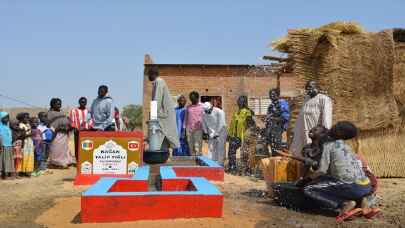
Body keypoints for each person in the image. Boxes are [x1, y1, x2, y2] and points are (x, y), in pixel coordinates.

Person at [301, 122, 373, 221]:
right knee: (334, 182)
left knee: (309, 189)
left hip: (352, 186)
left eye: (337, 125)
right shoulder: (346, 146)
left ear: (339, 132)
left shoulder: (328, 145)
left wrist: (306, 180)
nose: (334, 125)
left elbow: (322, 170)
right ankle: (362, 201)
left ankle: (343, 204)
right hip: (366, 185)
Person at [290, 81, 332, 157]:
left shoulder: (324, 99)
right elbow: (301, 116)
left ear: (316, 88)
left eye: (310, 88)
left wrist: (324, 134)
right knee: (302, 153)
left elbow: (327, 118)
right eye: (306, 89)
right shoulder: (307, 99)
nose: (308, 90)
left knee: (314, 155)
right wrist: (295, 131)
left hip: (315, 134)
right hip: (303, 131)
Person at [147, 66, 180, 151]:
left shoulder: (159, 81)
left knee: (161, 135)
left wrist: (152, 117)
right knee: (163, 136)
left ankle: (164, 156)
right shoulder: (157, 82)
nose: (148, 77)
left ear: (152, 74)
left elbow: (156, 100)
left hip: (164, 115)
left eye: (149, 74)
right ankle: (165, 156)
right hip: (163, 115)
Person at [227, 95, 253, 172]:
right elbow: (232, 124)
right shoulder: (236, 112)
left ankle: (245, 169)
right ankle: (232, 167)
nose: (238, 102)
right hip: (233, 136)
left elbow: (250, 123)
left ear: (244, 102)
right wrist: (229, 134)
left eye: (240, 100)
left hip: (241, 136)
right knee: (231, 152)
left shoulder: (247, 112)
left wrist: (248, 135)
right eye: (238, 100)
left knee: (242, 153)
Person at [48, 98, 75, 168]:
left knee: (64, 149)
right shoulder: (50, 113)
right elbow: (49, 124)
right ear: (52, 104)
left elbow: (67, 120)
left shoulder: (62, 112)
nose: (59, 105)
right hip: (56, 134)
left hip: (65, 134)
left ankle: (65, 161)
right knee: (56, 149)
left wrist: (69, 126)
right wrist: (59, 128)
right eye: (57, 104)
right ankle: (55, 163)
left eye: (60, 104)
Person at [265, 88, 290, 155]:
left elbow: (285, 117)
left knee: (277, 148)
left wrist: (273, 118)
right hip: (270, 130)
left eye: (273, 94)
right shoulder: (271, 106)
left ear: (278, 95)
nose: (271, 96)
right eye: (270, 94)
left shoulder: (282, 103)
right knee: (270, 147)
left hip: (278, 129)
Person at [69, 97, 93, 162]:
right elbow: (71, 121)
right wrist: (74, 128)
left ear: (86, 103)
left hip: (87, 131)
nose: (83, 103)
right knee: (77, 146)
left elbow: (91, 120)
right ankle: (78, 160)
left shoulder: (89, 111)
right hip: (77, 131)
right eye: (82, 102)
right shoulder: (73, 111)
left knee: (87, 145)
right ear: (79, 102)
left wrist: (90, 128)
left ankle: (86, 159)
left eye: (84, 102)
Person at [184, 91, 204, 156]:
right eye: (191, 99)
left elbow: (205, 118)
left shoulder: (202, 107)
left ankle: (199, 159)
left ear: (198, 98)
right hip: (189, 129)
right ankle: (192, 159)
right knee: (190, 145)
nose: (192, 100)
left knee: (197, 145)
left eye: (194, 98)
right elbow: (186, 118)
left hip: (198, 129)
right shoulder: (188, 107)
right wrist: (184, 128)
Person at [17, 112, 34, 177]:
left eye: (28, 117)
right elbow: (21, 135)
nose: (28, 118)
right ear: (21, 118)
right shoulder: (21, 125)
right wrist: (30, 134)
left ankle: (27, 170)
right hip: (24, 142)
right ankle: (22, 171)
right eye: (26, 117)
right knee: (24, 156)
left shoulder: (27, 124)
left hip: (29, 142)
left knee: (29, 156)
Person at [0, 112, 16, 180]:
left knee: (8, 160)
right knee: (3, 160)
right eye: (5, 118)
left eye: (8, 118)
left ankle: (8, 174)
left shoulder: (7, 127)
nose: (7, 119)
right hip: (3, 146)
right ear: (1, 118)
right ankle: (4, 175)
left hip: (9, 146)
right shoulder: (0, 127)